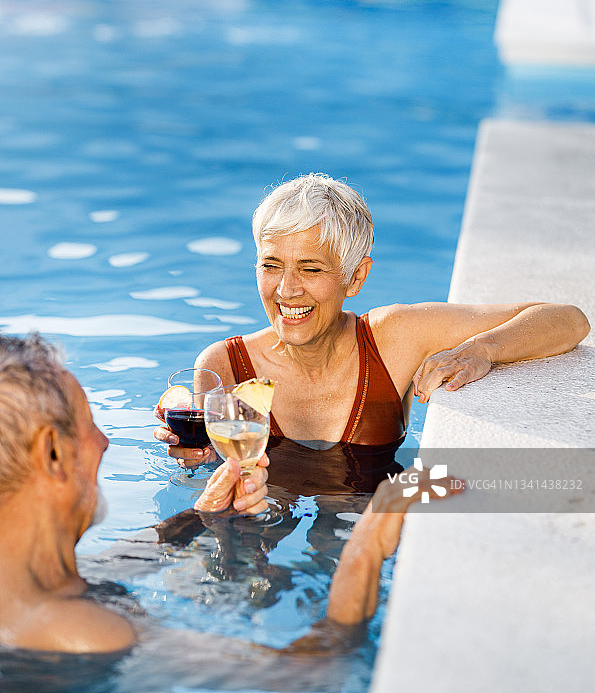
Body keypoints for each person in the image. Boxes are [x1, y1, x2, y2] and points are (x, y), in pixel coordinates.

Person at [0, 332, 461, 656]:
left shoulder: (33, 583)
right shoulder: (80, 634)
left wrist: (203, 517)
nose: (103, 441)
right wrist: (369, 542)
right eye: (88, 423)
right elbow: (308, 671)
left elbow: (118, 564)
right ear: (53, 454)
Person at [154, 173, 590, 468]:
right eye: (271, 265)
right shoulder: (224, 364)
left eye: (311, 268)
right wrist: (198, 459)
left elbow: (567, 320)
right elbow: (211, 473)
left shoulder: (393, 338)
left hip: (365, 523)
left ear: (355, 277)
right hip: (265, 519)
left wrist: (481, 351)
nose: (287, 290)